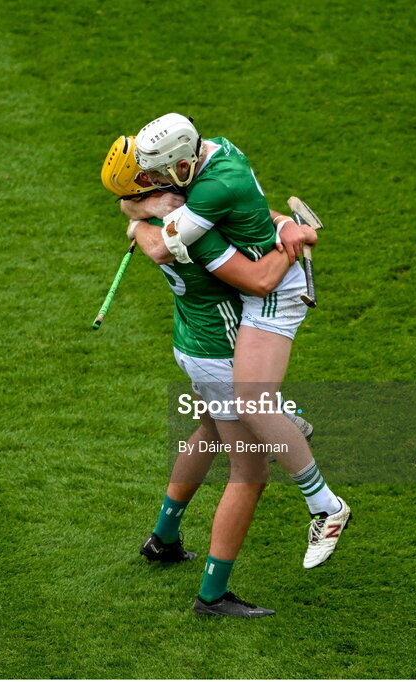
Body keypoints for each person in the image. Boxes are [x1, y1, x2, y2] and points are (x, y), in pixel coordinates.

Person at [120, 115, 351, 569]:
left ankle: (325, 505)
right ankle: (288, 431)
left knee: (251, 405)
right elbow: (246, 211)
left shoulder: (204, 211)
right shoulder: (219, 152)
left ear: (185, 165)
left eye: (162, 176)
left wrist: (137, 215)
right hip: (219, 331)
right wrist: (287, 225)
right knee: (224, 423)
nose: (160, 185)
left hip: (254, 305)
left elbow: (174, 250)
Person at [102, 136, 318, 616]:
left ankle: (163, 538)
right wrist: (294, 237)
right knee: (251, 471)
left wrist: (138, 215)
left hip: (191, 344)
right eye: (152, 175)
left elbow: (157, 220)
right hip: (221, 354)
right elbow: (260, 278)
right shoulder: (192, 230)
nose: (161, 176)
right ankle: (212, 595)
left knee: (206, 430)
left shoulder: (153, 224)